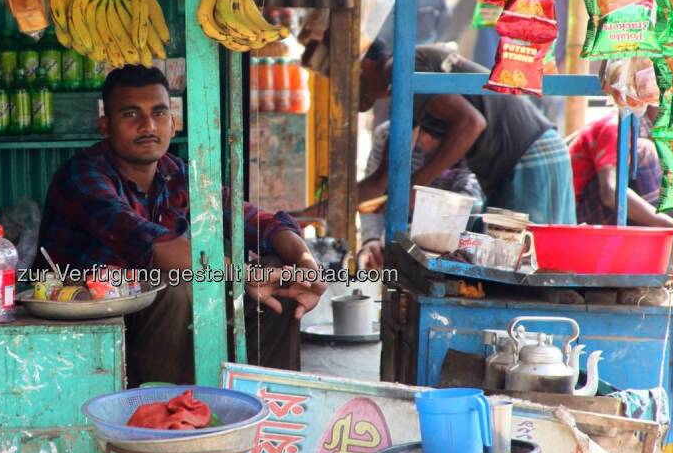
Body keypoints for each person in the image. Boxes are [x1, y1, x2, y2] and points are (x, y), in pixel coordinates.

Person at [36, 65, 327, 386]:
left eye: (159, 113)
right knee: (174, 286)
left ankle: (271, 408)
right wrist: (242, 272)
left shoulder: (175, 172)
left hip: (156, 321)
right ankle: (172, 417)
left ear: (173, 123)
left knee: (279, 273)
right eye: (131, 114)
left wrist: (303, 260)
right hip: (88, 319)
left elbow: (250, 219)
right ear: (105, 125)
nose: (148, 125)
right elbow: (151, 244)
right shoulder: (82, 175)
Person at [360, 41, 576, 225]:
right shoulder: (402, 91)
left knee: (532, 262)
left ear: (364, 65)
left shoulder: (399, 67)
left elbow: (471, 123)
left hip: (530, 155)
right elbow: (382, 179)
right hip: (514, 164)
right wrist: (332, 204)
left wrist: (415, 186)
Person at [356, 121, 485, 269]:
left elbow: (471, 198)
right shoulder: (388, 134)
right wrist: (372, 239)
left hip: (441, 246)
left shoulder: (465, 140)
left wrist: (429, 228)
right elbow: (373, 197)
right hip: (392, 239)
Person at [569, 108, 673, 227]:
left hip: (594, 211)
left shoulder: (647, 128)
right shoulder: (616, 125)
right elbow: (610, 193)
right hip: (575, 218)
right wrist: (671, 225)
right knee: (644, 151)